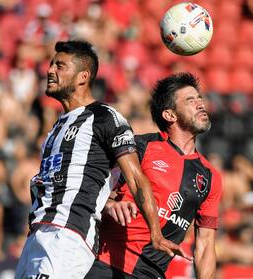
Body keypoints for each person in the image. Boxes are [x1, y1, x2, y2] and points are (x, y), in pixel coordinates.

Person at [14, 40, 191, 279]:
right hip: (37, 235)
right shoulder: (56, 127)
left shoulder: (106, 118)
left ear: (82, 77)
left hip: (67, 237)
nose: (50, 71)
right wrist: (108, 204)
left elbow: (137, 180)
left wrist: (156, 234)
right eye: (51, 64)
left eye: (60, 65)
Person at [85, 72, 222, 279]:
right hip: (105, 264)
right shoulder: (139, 147)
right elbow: (87, 187)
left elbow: (205, 245)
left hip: (151, 274)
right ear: (170, 115)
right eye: (190, 100)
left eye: (200, 98)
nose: (200, 104)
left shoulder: (210, 176)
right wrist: (109, 204)